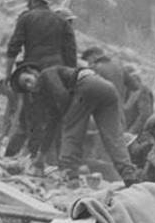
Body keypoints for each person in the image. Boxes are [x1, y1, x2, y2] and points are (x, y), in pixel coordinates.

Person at [9, 62, 139, 186]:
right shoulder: (47, 93)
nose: (29, 86)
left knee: (71, 131)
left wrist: (68, 118)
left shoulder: (46, 73)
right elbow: (52, 124)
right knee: (114, 137)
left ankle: (70, 176)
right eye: (26, 87)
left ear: (33, 72)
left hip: (87, 84)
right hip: (107, 88)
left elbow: (63, 99)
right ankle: (129, 177)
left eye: (27, 80)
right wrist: (41, 155)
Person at [4, 0, 77, 79]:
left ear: (33, 0)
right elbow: (71, 53)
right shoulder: (63, 21)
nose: (26, 3)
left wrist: (8, 74)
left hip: (33, 70)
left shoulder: (26, 18)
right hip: (58, 71)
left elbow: (13, 48)